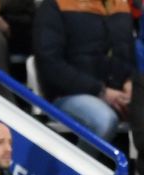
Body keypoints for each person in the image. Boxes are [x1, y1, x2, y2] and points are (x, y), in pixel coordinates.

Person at [33, 0, 135, 144]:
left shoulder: (120, 5)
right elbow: (50, 65)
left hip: (118, 95)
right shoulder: (55, 5)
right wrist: (101, 91)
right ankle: (79, 166)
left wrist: (129, 82)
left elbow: (128, 56)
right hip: (68, 94)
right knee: (104, 119)